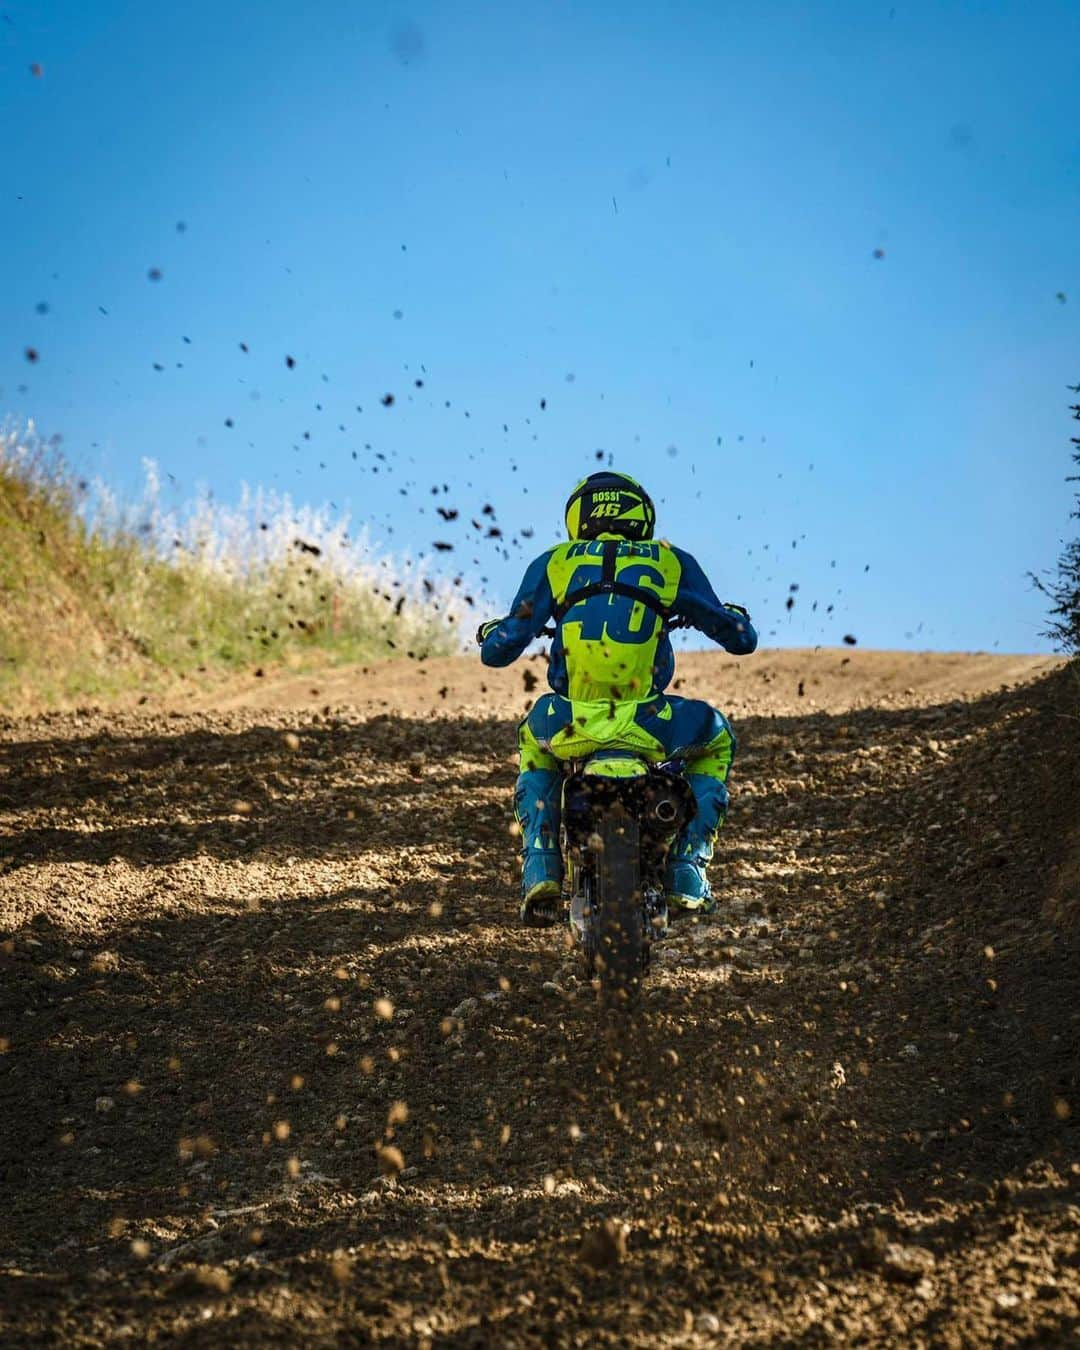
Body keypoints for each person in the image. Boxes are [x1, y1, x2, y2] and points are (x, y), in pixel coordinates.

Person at [476, 470, 757, 923]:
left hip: (571, 722)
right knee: (718, 738)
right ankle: (688, 867)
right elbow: (740, 639)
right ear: (641, 515)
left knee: (534, 742)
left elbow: (499, 650)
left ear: (579, 517)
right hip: (651, 721)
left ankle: (541, 864)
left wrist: (493, 632)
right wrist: (733, 617)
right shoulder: (670, 562)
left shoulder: (555, 562)